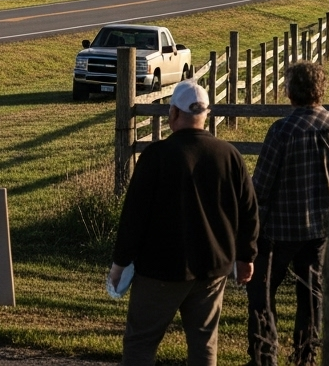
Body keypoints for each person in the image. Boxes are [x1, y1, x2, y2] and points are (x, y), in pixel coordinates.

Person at [109, 79, 258, 366]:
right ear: (206, 114)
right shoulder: (229, 155)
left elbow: (134, 217)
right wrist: (246, 256)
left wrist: (120, 264)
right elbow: (249, 211)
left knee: (140, 343)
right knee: (204, 345)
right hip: (213, 268)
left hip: (161, 270)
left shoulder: (156, 156)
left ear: (174, 113)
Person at [246, 61, 329, 366]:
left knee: (262, 293)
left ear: (290, 92)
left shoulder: (281, 130)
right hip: (321, 229)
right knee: (311, 296)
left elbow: (261, 186)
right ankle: (305, 355)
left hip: (279, 230)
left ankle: (264, 356)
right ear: (320, 89)